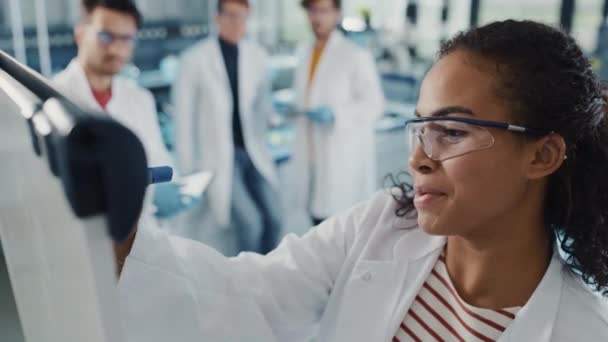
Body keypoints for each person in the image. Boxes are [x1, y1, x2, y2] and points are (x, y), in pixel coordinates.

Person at [115, 21, 608, 341]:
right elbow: (252, 294)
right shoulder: (382, 224)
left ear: (542, 155)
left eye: (452, 132)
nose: (417, 158)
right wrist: (121, 238)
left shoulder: (584, 331)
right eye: (420, 128)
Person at [53, 0, 197, 224]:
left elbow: (158, 158)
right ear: (80, 34)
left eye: (126, 38)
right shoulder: (55, 99)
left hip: (141, 229)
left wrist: (168, 189)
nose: (116, 48)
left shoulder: (140, 99)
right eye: (105, 36)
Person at [172, 0, 281, 254]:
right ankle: (247, 284)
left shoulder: (257, 56)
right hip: (218, 159)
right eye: (231, 16)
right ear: (218, 18)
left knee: (275, 218)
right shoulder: (194, 60)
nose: (237, 23)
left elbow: (263, 105)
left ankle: (270, 277)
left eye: (242, 17)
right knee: (251, 223)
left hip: (252, 153)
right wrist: (190, 175)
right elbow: (183, 123)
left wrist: (271, 115)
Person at [285, 0, 385, 227]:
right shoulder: (305, 53)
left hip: (339, 159)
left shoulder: (354, 54)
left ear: (337, 14)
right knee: (316, 224)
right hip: (310, 155)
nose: (316, 18)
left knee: (339, 229)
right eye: (312, 11)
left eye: (323, 11)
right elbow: (306, 97)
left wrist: (337, 115)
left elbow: (375, 104)